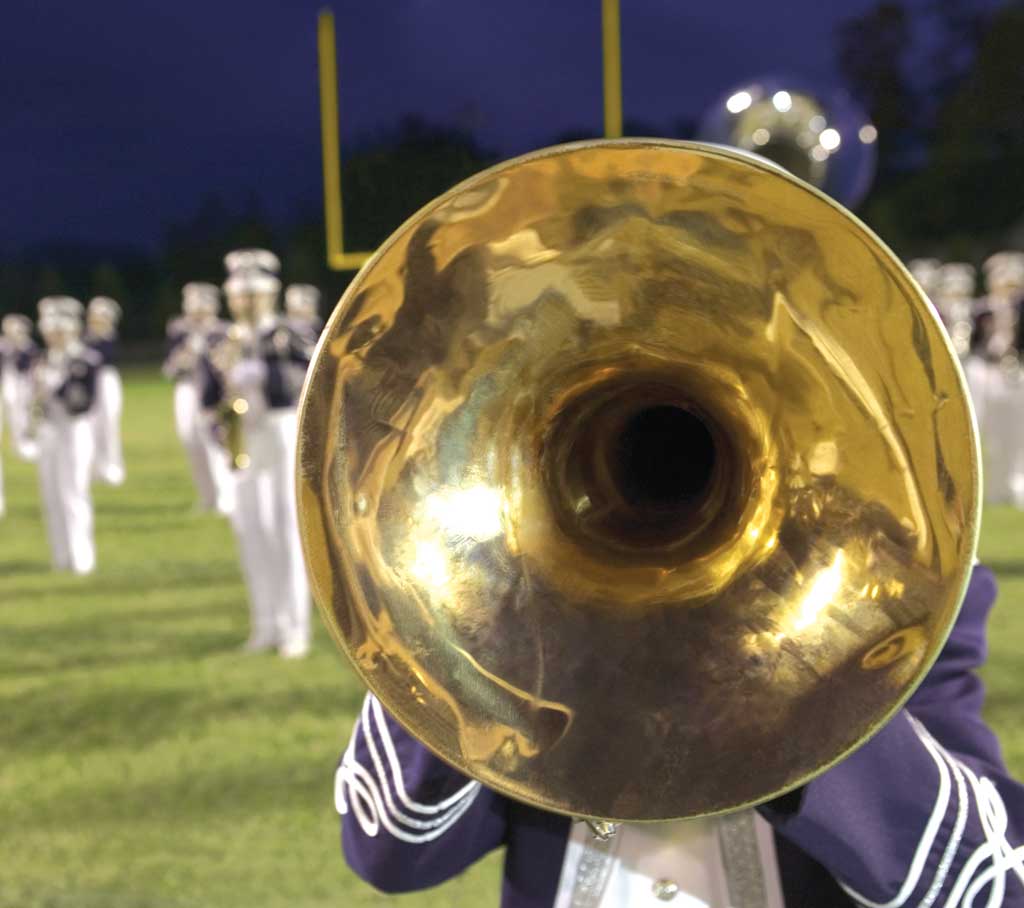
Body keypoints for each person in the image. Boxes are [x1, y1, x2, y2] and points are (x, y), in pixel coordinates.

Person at [335, 563, 1024, 907]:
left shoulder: (910, 590)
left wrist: (802, 673)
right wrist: (468, 631)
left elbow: (985, 884)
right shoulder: (527, 586)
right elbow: (392, 847)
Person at [200, 249, 313, 658]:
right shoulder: (222, 340)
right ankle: (264, 623)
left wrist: (269, 375)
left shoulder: (288, 335)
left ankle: (294, 628)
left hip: (280, 433)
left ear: (270, 296)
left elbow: (313, 377)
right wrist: (218, 427)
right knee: (250, 530)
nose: (246, 304)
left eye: (254, 296)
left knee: (285, 528)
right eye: (240, 296)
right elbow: (207, 395)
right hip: (243, 437)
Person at [26, 297, 101, 574]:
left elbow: (82, 403)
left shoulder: (84, 359)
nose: (52, 335)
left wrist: (54, 389)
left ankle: (83, 558)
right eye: (48, 330)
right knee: (51, 495)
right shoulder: (43, 359)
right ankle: (61, 556)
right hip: (49, 432)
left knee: (74, 493)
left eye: (58, 330)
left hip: (73, 431)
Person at [163, 282, 235, 515]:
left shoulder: (223, 330)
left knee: (216, 442)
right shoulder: (180, 331)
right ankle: (207, 496)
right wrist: (187, 353)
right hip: (186, 390)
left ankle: (226, 496)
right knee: (191, 441)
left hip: (213, 392)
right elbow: (169, 370)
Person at [84, 296, 126, 486]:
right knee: (90, 424)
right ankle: (94, 468)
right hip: (89, 381)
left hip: (107, 380)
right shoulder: (84, 336)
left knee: (108, 423)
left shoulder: (109, 337)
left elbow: (105, 359)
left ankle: (113, 467)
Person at [1, 313, 39, 464]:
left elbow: (26, 366)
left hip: (23, 382)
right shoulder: (3, 345)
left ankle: (22, 442)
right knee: (8, 409)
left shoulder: (28, 346)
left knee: (22, 411)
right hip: (6, 382)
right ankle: (14, 441)